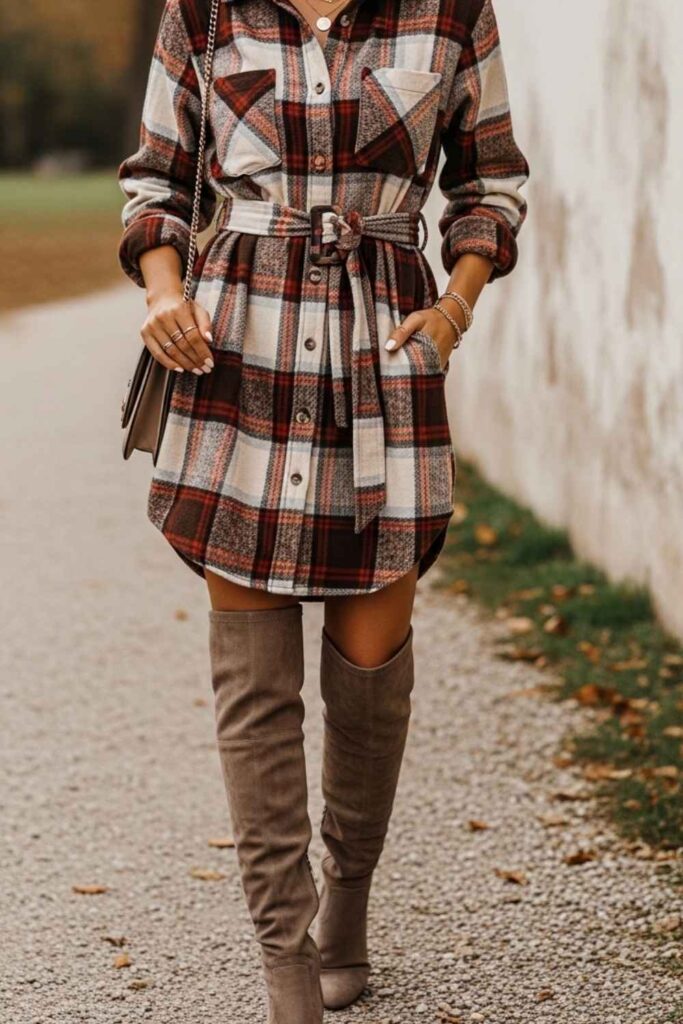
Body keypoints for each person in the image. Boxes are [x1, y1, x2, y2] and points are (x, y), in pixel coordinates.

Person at [117, 0, 529, 1020]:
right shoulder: (202, 13)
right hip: (234, 354)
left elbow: (490, 184)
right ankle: (285, 960)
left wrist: (453, 309)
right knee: (254, 692)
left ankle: (346, 903)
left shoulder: (448, 14)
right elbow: (157, 182)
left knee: (369, 678)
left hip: (380, 362)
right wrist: (162, 289)